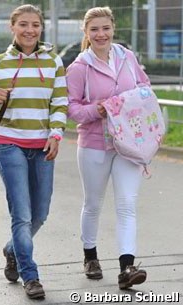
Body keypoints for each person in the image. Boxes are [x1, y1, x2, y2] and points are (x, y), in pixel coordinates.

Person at [0, 4, 68, 299]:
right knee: (22, 215)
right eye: (23, 24)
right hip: (9, 145)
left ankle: (12, 249)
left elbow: (60, 103)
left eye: (35, 25)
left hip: (42, 146)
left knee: (40, 213)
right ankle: (30, 276)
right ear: (11, 28)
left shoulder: (53, 62)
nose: (30, 30)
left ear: (41, 28)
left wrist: (56, 133)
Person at [66, 6, 150, 289]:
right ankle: (90, 257)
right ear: (86, 34)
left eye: (105, 28)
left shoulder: (127, 57)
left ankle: (127, 267)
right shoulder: (78, 68)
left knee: (127, 204)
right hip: (94, 145)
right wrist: (98, 110)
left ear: (113, 29)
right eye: (94, 30)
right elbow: (71, 108)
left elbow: (144, 86)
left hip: (129, 143)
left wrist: (133, 102)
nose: (101, 34)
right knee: (93, 204)